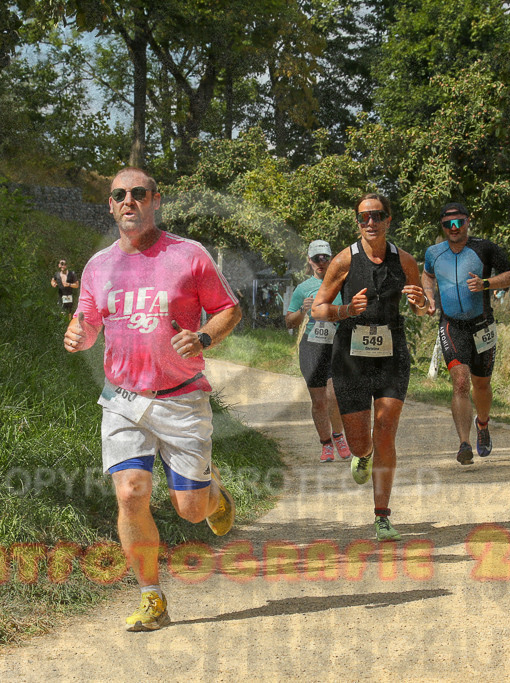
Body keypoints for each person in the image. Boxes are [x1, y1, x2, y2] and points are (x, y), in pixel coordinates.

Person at [63, 167, 242, 632]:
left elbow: (229, 309)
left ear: (156, 200)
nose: (128, 201)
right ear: (110, 204)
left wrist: (203, 337)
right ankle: (152, 598)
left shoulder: (189, 255)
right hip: (123, 399)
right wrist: (78, 337)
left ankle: (212, 493)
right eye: (119, 195)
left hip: (181, 400)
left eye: (138, 193)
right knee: (130, 494)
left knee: (191, 511)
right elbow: (87, 324)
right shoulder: (98, 265)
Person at [311, 193, 428, 542]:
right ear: (358, 222)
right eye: (363, 218)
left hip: (392, 352)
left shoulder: (405, 261)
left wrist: (421, 303)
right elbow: (318, 308)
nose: (370, 223)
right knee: (362, 441)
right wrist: (346, 310)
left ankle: (382, 516)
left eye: (377, 216)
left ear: (389, 220)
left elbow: (421, 307)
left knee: (387, 426)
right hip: (351, 357)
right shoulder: (343, 261)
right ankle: (362, 455)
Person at [422, 202, 510, 465]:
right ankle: (464, 443)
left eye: (459, 222)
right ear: (441, 227)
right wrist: (430, 298)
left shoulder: (485, 248)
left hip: (482, 324)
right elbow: (427, 276)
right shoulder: (433, 252)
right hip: (451, 324)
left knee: (482, 383)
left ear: (468, 222)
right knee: (460, 381)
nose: (454, 228)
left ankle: (483, 424)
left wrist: (486, 283)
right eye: (447, 224)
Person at [285, 239, 350, 462]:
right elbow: (289, 322)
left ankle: (339, 435)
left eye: (325, 258)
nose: (320, 263)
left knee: (334, 395)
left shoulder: (342, 282)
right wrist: (302, 311)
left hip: (337, 343)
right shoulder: (303, 288)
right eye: (316, 259)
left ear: (331, 259)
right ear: (309, 261)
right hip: (311, 346)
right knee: (319, 400)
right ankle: (326, 444)